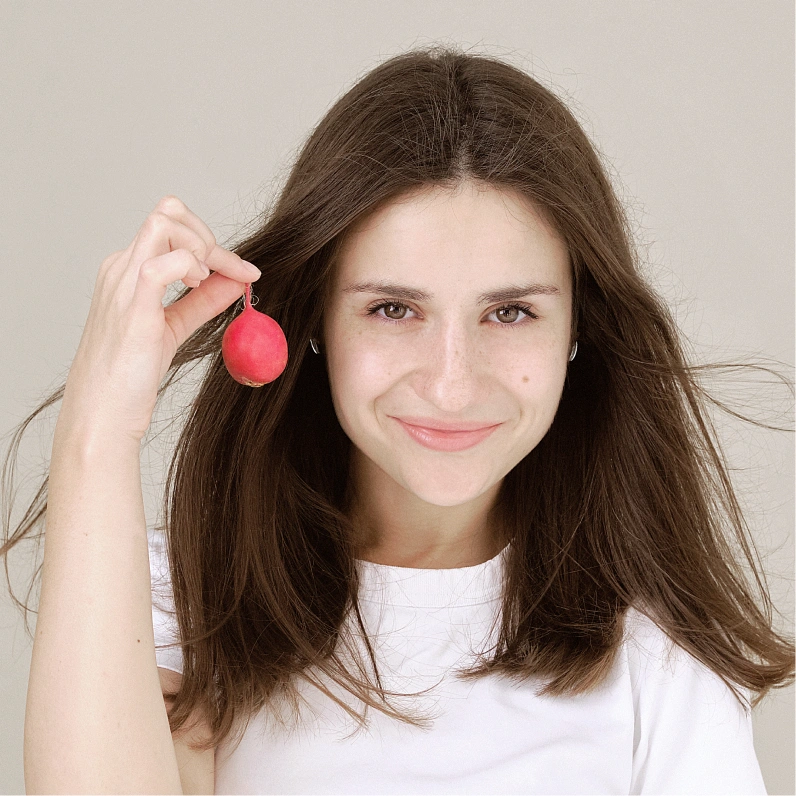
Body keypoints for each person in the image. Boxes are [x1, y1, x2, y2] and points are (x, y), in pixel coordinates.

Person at [6, 45, 793, 794]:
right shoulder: (185, 605)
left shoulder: (659, 662)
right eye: (392, 309)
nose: (452, 384)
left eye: (511, 312)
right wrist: (99, 425)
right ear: (315, 317)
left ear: (579, 329)